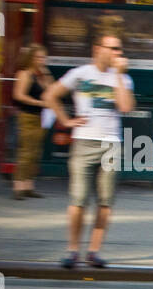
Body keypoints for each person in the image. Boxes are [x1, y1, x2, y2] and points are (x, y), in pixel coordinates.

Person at [42, 34, 135, 269]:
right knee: (78, 199)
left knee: (105, 202)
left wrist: (120, 76)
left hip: (111, 143)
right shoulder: (80, 73)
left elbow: (125, 107)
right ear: (98, 49)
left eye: (119, 49)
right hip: (84, 142)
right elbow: (50, 95)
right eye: (113, 48)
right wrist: (66, 120)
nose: (117, 53)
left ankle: (94, 251)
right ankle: (72, 250)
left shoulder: (123, 78)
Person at [11, 44, 52, 199]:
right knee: (26, 152)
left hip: (41, 117)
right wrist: (38, 103)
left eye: (43, 57)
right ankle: (18, 187)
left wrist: (46, 75)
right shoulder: (25, 74)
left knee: (35, 152)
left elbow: (51, 90)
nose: (42, 60)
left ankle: (28, 185)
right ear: (31, 58)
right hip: (27, 116)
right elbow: (19, 95)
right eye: (39, 57)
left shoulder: (41, 75)